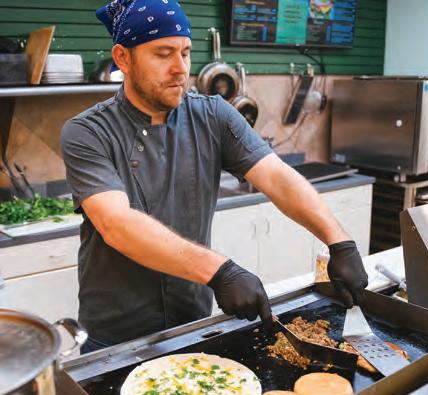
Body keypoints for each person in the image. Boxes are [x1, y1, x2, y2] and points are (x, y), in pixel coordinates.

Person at [61, 0, 368, 354]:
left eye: (185, 53)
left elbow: (277, 177)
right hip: (114, 339)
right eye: (163, 54)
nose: (180, 68)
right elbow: (117, 224)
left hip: (193, 325)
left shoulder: (213, 116)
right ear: (123, 58)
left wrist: (339, 241)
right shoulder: (88, 132)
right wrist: (220, 271)